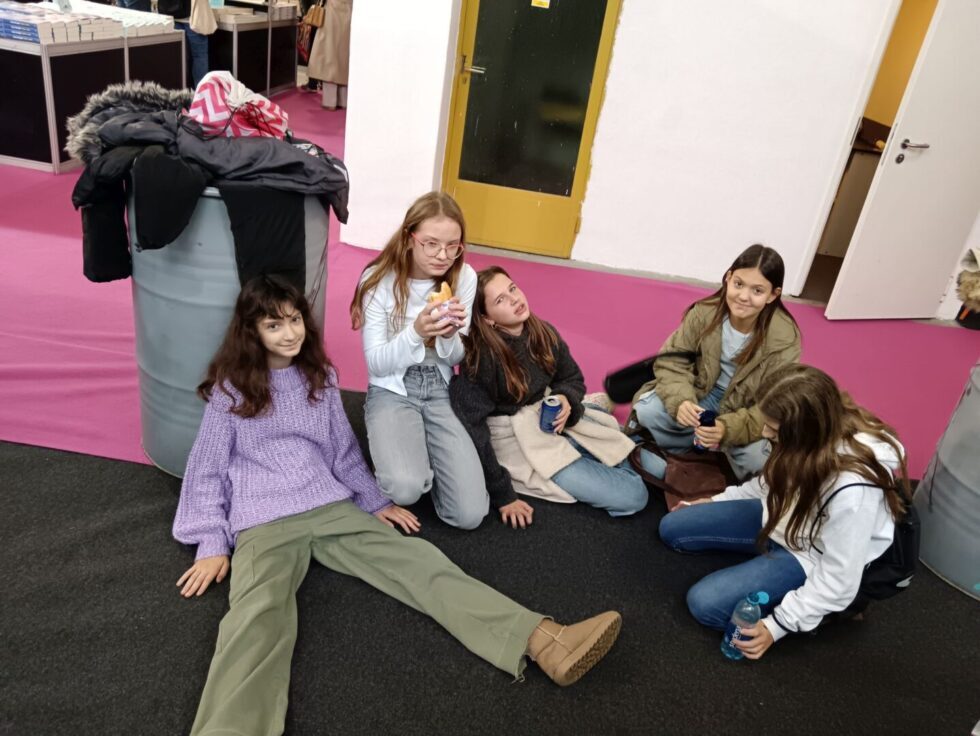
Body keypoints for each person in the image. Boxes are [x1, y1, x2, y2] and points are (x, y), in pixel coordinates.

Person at [173, 276, 623, 735]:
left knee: (423, 564)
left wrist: (374, 500)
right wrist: (211, 541)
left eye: (294, 321)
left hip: (329, 506)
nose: (289, 334)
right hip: (262, 520)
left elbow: (342, 451)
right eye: (273, 325)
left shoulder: (320, 377)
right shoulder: (230, 391)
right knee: (256, 619)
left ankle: (546, 641)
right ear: (251, 331)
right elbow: (206, 467)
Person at [658, 364, 909, 659]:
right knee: (672, 527)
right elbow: (769, 483)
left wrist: (778, 625)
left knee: (705, 604)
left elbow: (840, 579)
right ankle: (767, 565)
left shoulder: (853, 491)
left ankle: (827, 613)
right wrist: (717, 500)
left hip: (810, 555)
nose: (764, 432)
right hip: (781, 518)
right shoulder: (807, 440)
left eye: (774, 430)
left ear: (803, 431)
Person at [450, 266, 648, 529]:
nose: (515, 299)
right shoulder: (481, 360)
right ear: (487, 319)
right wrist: (502, 493)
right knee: (633, 495)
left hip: (550, 418)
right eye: (500, 300)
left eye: (512, 288)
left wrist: (567, 399)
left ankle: (591, 412)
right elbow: (474, 431)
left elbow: (571, 377)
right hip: (516, 437)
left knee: (655, 467)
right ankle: (596, 413)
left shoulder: (543, 332)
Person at [349, 192, 489, 530]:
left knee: (469, 516)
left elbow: (456, 358)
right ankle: (403, 454)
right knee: (405, 489)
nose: (443, 255)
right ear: (409, 237)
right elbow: (377, 364)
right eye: (431, 244)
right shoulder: (378, 280)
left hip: (440, 386)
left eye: (453, 246)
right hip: (391, 387)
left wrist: (448, 335)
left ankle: (420, 451)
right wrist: (416, 332)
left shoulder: (464, 276)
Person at [630, 244, 801, 481]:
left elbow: (775, 402)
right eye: (739, 284)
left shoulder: (784, 338)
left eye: (757, 290)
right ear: (728, 278)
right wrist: (682, 401)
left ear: (773, 295)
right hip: (703, 393)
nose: (744, 296)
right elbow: (671, 361)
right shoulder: (703, 313)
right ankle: (686, 453)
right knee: (648, 411)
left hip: (746, 408)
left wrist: (727, 429)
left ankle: (713, 453)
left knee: (757, 460)